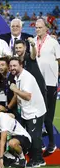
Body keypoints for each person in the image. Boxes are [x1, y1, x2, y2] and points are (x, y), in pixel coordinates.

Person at [9, 57, 46, 168]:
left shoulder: (27, 77)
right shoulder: (18, 76)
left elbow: (28, 96)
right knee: (30, 136)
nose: (12, 68)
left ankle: (39, 159)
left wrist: (14, 89)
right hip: (27, 111)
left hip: (35, 111)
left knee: (35, 137)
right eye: (10, 66)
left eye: (14, 65)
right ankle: (34, 158)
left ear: (21, 65)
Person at [34, 19, 60, 155]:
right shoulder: (33, 42)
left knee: (48, 116)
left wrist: (56, 75)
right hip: (37, 84)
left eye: (40, 27)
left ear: (46, 28)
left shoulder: (53, 42)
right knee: (38, 115)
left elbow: (59, 59)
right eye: (36, 27)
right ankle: (42, 144)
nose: (37, 29)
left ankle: (51, 143)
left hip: (50, 82)